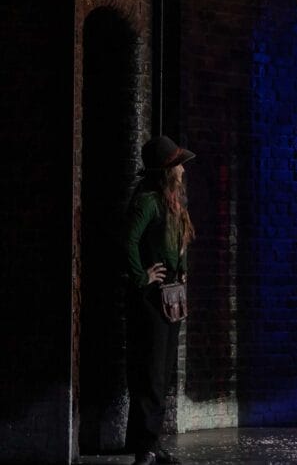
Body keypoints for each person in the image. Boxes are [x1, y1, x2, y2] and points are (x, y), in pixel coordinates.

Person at [123, 135, 195, 465]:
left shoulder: (172, 202)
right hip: (152, 300)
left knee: (163, 372)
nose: (182, 169)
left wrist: (182, 274)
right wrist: (142, 276)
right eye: (177, 165)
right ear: (166, 170)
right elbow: (128, 241)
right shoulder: (148, 201)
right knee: (150, 372)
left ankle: (153, 441)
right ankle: (144, 448)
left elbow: (177, 246)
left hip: (171, 298)